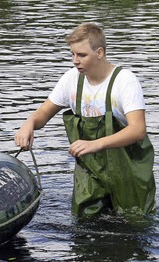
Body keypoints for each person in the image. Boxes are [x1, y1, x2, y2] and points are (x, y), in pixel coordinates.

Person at [14, 22, 155, 217]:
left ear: (100, 53)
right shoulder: (70, 80)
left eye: (81, 55)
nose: (75, 60)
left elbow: (138, 130)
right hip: (89, 171)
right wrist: (28, 124)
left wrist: (96, 144)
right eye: (72, 54)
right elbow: (42, 114)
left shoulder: (125, 81)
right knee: (84, 222)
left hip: (129, 170)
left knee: (135, 222)